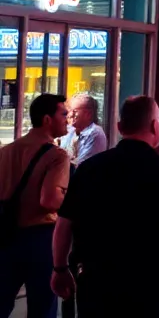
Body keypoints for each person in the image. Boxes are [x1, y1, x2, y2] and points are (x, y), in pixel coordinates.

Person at [51, 96, 159, 317]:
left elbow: (64, 223)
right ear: (155, 126)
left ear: (119, 127)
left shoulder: (89, 170)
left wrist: (60, 268)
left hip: (96, 282)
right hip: (148, 284)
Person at [0, 93, 70, 318]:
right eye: (64, 114)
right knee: (42, 308)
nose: (67, 119)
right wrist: (72, 203)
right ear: (47, 119)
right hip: (40, 238)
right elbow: (49, 200)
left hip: (6, 234)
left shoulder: (6, 151)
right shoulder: (57, 155)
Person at [60, 94, 107, 167]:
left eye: (75, 111)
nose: (70, 115)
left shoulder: (95, 133)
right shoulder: (69, 130)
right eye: (69, 110)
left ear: (88, 114)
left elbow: (81, 165)